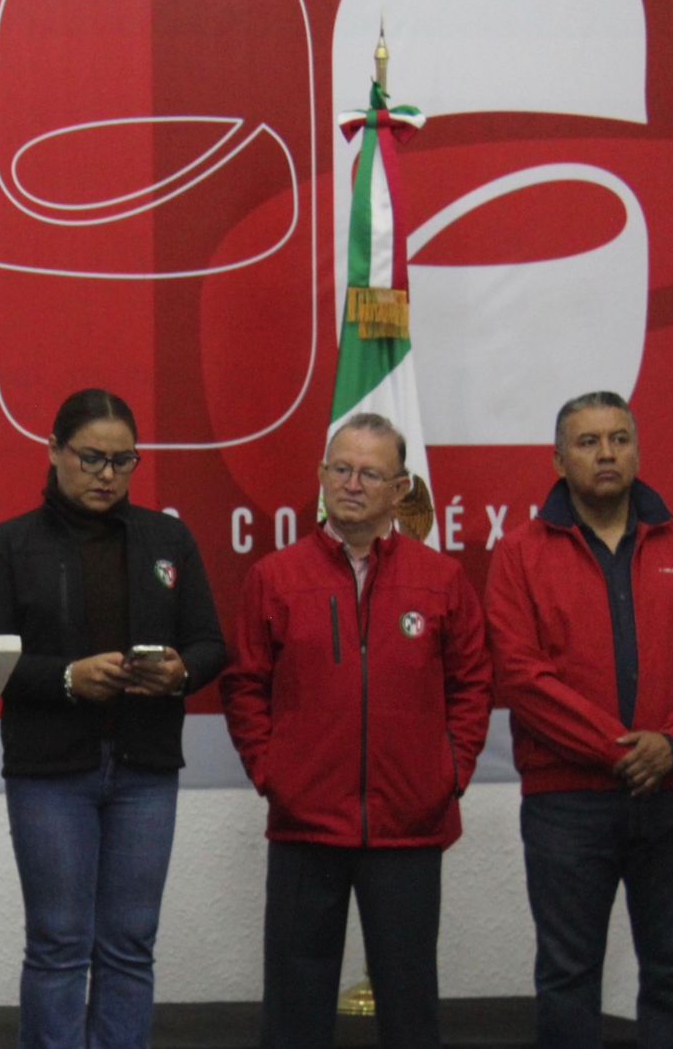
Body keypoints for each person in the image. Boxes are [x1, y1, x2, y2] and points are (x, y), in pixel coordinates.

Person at [220, 411, 491, 1049]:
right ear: (321, 475)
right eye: (340, 469)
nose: (351, 483)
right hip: (305, 824)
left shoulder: (442, 580)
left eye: (370, 473)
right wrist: (273, 774)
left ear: (400, 489)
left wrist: (449, 773)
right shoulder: (275, 578)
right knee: (295, 1010)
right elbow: (245, 687)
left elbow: (473, 686)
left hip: (408, 826)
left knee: (410, 1008)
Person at [0, 388, 226, 1049]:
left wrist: (179, 672)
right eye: (90, 458)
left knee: (130, 945)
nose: (107, 475)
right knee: (59, 944)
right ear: (54, 452)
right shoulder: (10, 545)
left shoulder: (168, 539)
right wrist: (67, 678)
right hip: (50, 772)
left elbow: (210, 644)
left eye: (122, 461)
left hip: (146, 769)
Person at [485, 390, 673, 1047]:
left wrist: (670, 742)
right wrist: (623, 750)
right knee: (568, 975)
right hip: (566, 803)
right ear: (559, 460)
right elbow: (521, 676)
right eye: (588, 442)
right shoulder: (520, 553)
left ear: (638, 451)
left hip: (670, 792)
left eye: (619, 438)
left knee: (672, 972)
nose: (606, 453)